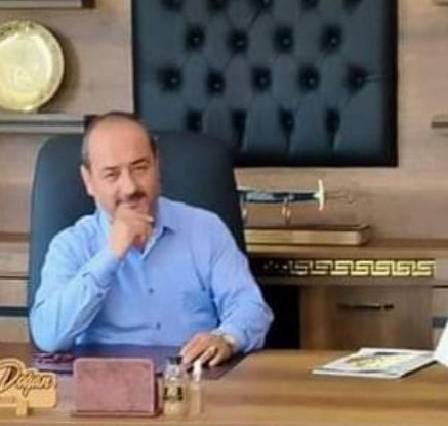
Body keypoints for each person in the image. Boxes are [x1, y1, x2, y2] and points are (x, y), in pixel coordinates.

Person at [29, 112, 273, 366]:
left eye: (140, 168)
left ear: (157, 165)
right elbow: (48, 336)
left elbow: (251, 307)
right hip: (103, 381)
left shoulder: (206, 229)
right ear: (89, 181)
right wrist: (110, 255)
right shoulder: (70, 245)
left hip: (192, 377)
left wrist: (226, 338)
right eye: (112, 175)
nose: (130, 187)